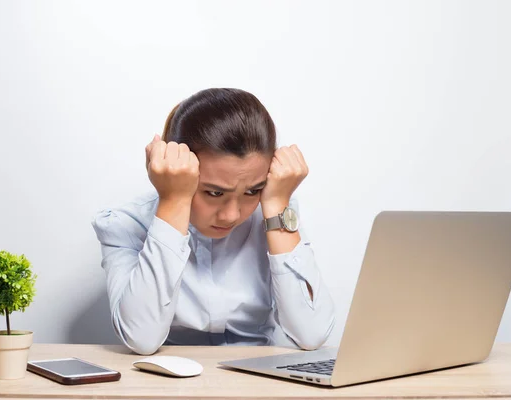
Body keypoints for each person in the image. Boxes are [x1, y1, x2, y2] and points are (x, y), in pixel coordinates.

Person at [92, 88, 335, 355]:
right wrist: (174, 200)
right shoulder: (126, 224)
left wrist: (278, 205)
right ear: (181, 172)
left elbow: (312, 335)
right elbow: (141, 338)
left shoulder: (273, 215)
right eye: (214, 192)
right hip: (163, 381)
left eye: (252, 191)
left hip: (256, 382)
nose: (231, 215)